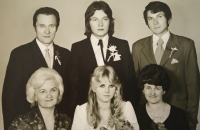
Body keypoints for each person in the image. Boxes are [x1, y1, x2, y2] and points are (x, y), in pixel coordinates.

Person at [132, 1, 200, 129]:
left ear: (169, 19)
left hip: (179, 115)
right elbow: (136, 84)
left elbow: (193, 85)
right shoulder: (137, 47)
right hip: (147, 114)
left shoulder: (186, 45)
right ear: (147, 22)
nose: (155, 22)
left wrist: (191, 120)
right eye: (150, 18)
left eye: (160, 16)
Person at [2, 7, 71, 129]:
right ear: (35, 27)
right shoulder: (19, 54)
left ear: (57, 28)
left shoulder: (66, 54)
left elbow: (70, 93)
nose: (47, 31)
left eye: (51, 26)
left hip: (58, 123)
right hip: (28, 124)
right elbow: (9, 96)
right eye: (42, 26)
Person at [71, 1, 137, 110]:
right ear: (88, 22)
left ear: (110, 22)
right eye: (95, 19)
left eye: (105, 19)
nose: (100, 24)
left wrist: (128, 109)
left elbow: (130, 82)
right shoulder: (77, 48)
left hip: (118, 107)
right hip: (88, 107)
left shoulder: (122, 45)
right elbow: (75, 86)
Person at [71, 66, 139, 130]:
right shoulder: (81, 110)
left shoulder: (126, 107)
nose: (107, 91)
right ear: (94, 88)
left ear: (116, 88)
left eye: (111, 86)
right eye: (102, 86)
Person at [136, 64, 190, 130]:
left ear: (164, 90)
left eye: (157, 88)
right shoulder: (136, 114)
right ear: (143, 90)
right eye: (148, 87)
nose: (152, 93)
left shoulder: (179, 115)